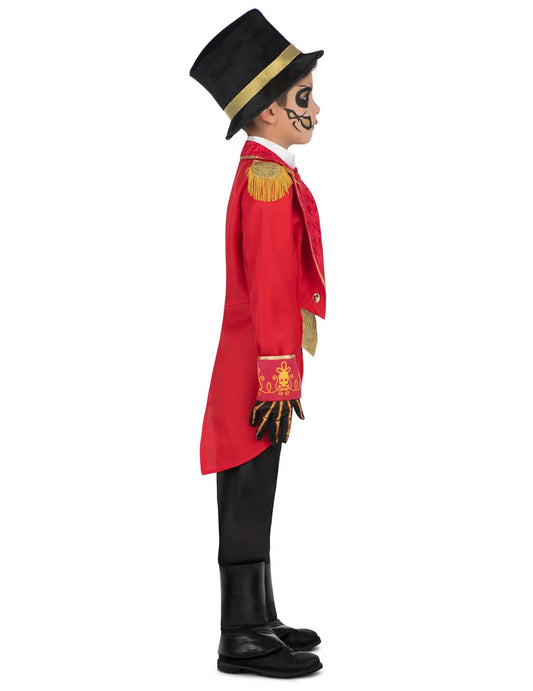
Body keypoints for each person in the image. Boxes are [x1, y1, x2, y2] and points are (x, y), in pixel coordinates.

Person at [190, 9, 327, 678]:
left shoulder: (269, 170)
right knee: (247, 484)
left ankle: (259, 614)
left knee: (258, 481)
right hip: (257, 365)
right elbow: (271, 285)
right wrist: (277, 378)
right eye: (304, 96)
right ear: (269, 111)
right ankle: (239, 632)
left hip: (262, 359)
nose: (315, 109)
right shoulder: (267, 182)